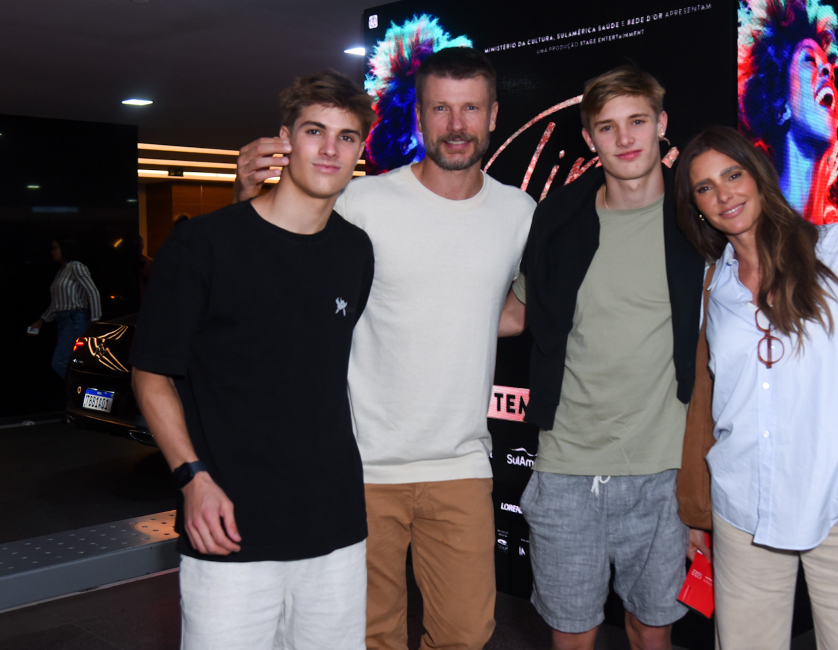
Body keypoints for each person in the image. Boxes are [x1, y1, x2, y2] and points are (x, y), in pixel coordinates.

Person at [233, 47, 535, 650]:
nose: (456, 124)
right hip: (362, 465)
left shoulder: (518, 211)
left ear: (493, 115)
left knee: (467, 634)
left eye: (471, 108)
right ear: (419, 117)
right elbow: (278, 275)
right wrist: (245, 195)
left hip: (460, 465)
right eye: (440, 109)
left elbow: (512, 311)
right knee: (371, 636)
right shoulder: (362, 203)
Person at [130, 70, 376, 649]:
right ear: (284, 140)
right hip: (228, 524)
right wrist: (191, 477)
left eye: (346, 137)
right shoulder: (203, 244)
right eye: (314, 131)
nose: (330, 149)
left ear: (359, 152)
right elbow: (151, 373)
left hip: (334, 526)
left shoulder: (355, 251)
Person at [676, 126, 838, 649]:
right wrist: (694, 509)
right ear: (696, 207)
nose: (724, 195)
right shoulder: (713, 285)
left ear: (759, 177)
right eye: (705, 187)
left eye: (733, 175)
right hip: (743, 502)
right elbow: (707, 400)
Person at [505, 65, 707, 650]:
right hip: (568, 466)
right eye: (607, 126)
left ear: (662, 124)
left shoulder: (700, 222)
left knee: (652, 630)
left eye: (637, 121)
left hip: (665, 469)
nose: (625, 138)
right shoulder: (558, 220)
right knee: (572, 635)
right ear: (589, 137)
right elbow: (517, 313)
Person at [738, 0, 838, 224]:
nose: (827, 70)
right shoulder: (752, 227)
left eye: (830, 71)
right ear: (781, 106)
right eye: (809, 60)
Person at [28, 238, 102, 378]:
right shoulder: (61, 271)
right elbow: (57, 302)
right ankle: (76, 387)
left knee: (60, 362)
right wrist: (42, 320)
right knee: (68, 362)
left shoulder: (76, 267)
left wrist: (95, 319)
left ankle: (78, 387)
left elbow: (92, 291)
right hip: (63, 321)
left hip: (75, 319)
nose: (52, 252)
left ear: (65, 249)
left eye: (55, 248)